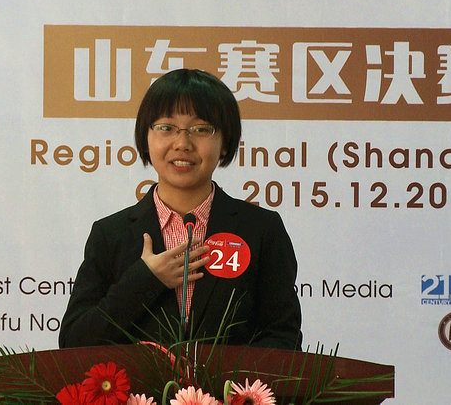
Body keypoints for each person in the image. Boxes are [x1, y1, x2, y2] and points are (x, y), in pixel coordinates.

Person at [59, 69, 302, 350]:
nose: (182, 144)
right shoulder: (111, 234)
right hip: (137, 383)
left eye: (201, 129)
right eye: (166, 128)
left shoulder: (260, 230)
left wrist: (221, 377)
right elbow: (74, 341)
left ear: (225, 143)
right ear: (146, 138)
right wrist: (145, 280)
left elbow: (284, 338)